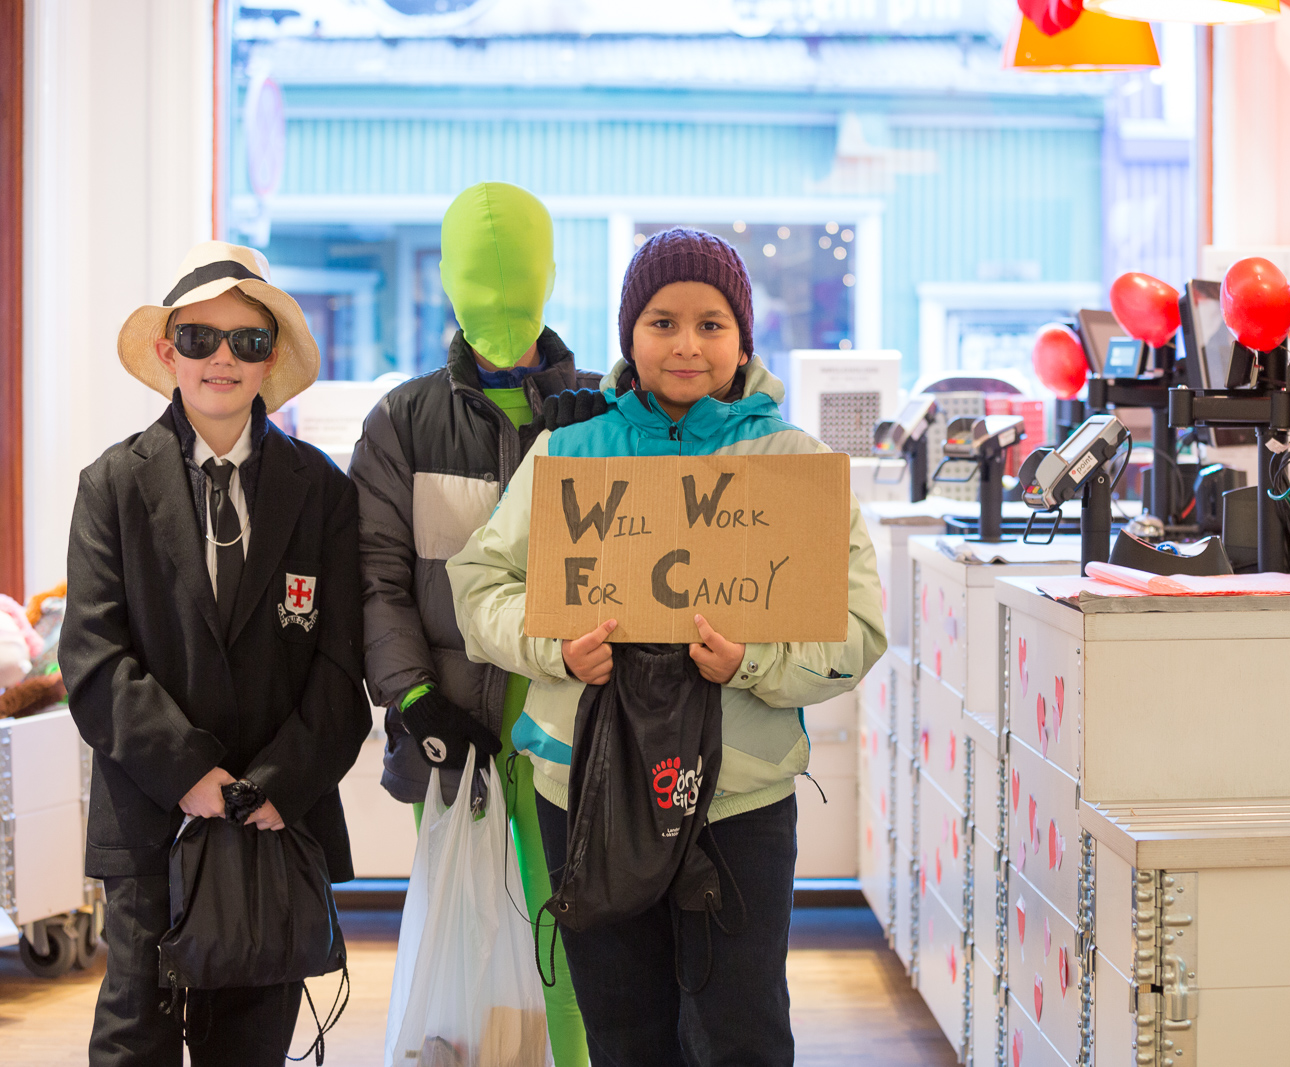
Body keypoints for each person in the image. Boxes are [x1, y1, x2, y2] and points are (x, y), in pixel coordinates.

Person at [447, 227, 887, 1067]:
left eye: (712, 323)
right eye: (661, 321)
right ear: (629, 335)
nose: (687, 344)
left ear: (742, 337)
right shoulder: (568, 453)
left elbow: (857, 629)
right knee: (621, 1032)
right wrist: (553, 646)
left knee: (742, 1033)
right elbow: (479, 585)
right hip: (587, 789)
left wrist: (754, 663)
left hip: (739, 800)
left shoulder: (792, 465)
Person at [59, 242, 371, 1066]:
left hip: (275, 822)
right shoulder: (112, 486)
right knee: (136, 1036)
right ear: (169, 353)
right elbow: (94, 658)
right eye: (200, 339)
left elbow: (344, 672)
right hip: (150, 820)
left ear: (273, 358)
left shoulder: (326, 494)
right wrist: (191, 773)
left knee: (252, 1042)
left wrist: (273, 787)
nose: (223, 358)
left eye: (248, 340)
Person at [348, 181, 596, 1065]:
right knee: (470, 954)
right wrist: (415, 700)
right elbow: (374, 578)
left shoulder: (602, 415)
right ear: (448, 283)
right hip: (454, 737)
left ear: (549, 277)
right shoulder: (403, 424)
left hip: (578, 738)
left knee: (575, 960)